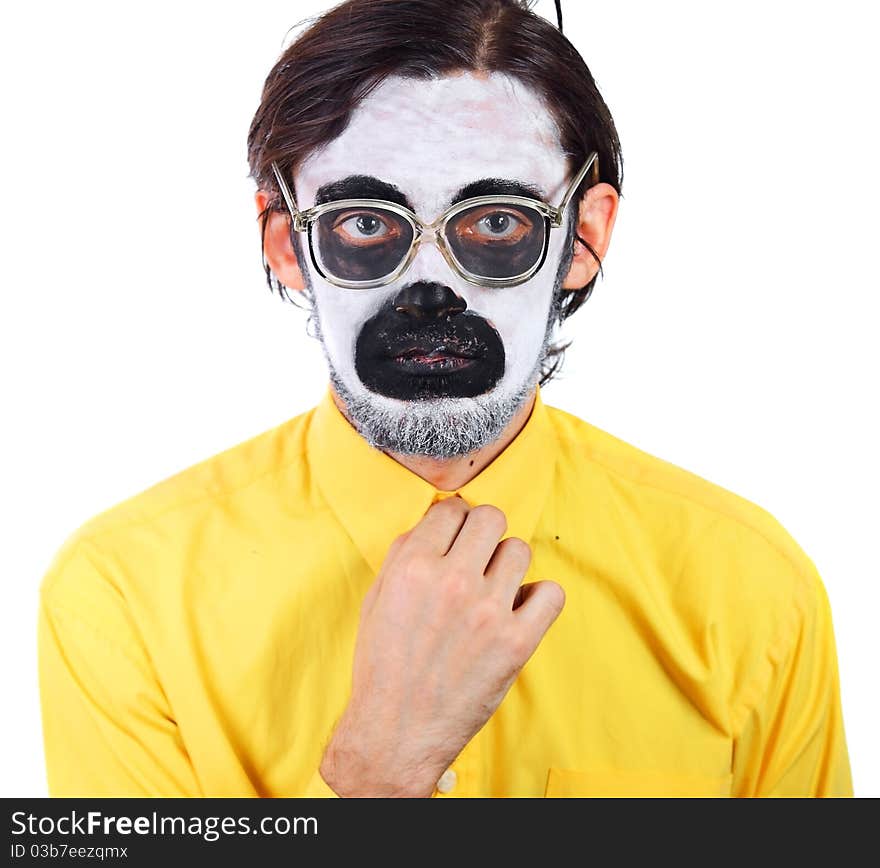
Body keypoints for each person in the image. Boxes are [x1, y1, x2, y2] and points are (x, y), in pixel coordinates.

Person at [37, 0, 853, 798]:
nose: (430, 292)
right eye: (365, 223)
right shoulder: (122, 595)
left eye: (496, 224)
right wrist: (379, 775)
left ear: (584, 240)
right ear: (289, 244)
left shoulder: (749, 586)